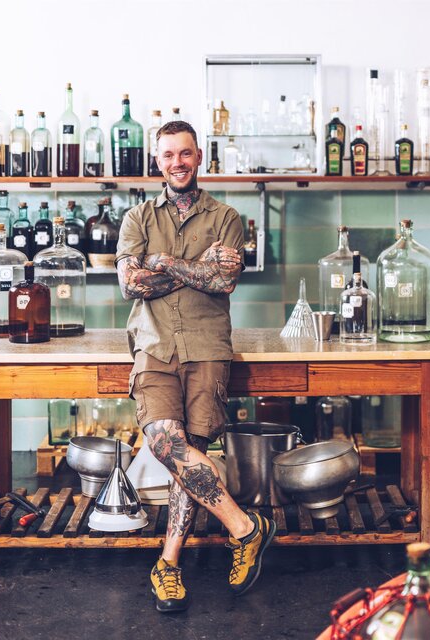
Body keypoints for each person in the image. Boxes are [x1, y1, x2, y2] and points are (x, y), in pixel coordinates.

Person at [115, 120, 275, 613]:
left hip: (207, 348)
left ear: (199, 157)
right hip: (155, 347)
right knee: (165, 441)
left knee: (192, 454)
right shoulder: (137, 217)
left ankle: (168, 564)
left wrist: (161, 262)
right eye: (168, 155)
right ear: (156, 161)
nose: (177, 163)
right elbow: (130, 283)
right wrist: (189, 270)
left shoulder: (227, 217)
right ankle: (245, 527)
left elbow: (223, 280)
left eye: (185, 153)